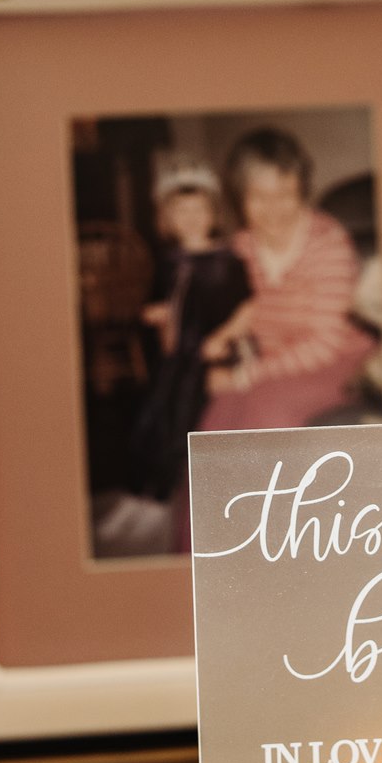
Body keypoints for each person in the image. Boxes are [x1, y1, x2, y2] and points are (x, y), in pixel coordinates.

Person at [199, 126, 373, 431]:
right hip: (273, 365)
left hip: (339, 363)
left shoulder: (327, 242)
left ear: (301, 191)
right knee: (212, 424)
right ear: (240, 198)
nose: (273, 210)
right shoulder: (240, 249)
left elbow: (324, 343)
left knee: (265, 413)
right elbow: (228, 316)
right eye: (259, 197)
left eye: (285, 195)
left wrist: (245, 375)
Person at [128, 161, 252, 505]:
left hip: (215, 354)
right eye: (181, 212)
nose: (191, 218)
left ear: (214, 215)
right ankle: (169, 484)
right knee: (164, 415)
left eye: (199, 210)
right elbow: (154, 302)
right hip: (177, 358)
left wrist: (225, 336)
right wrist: (154, 314)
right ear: (168, 219)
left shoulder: (228, 260)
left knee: (201, 414)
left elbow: (248, 306)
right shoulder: (168, 261)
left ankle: (211, 483)